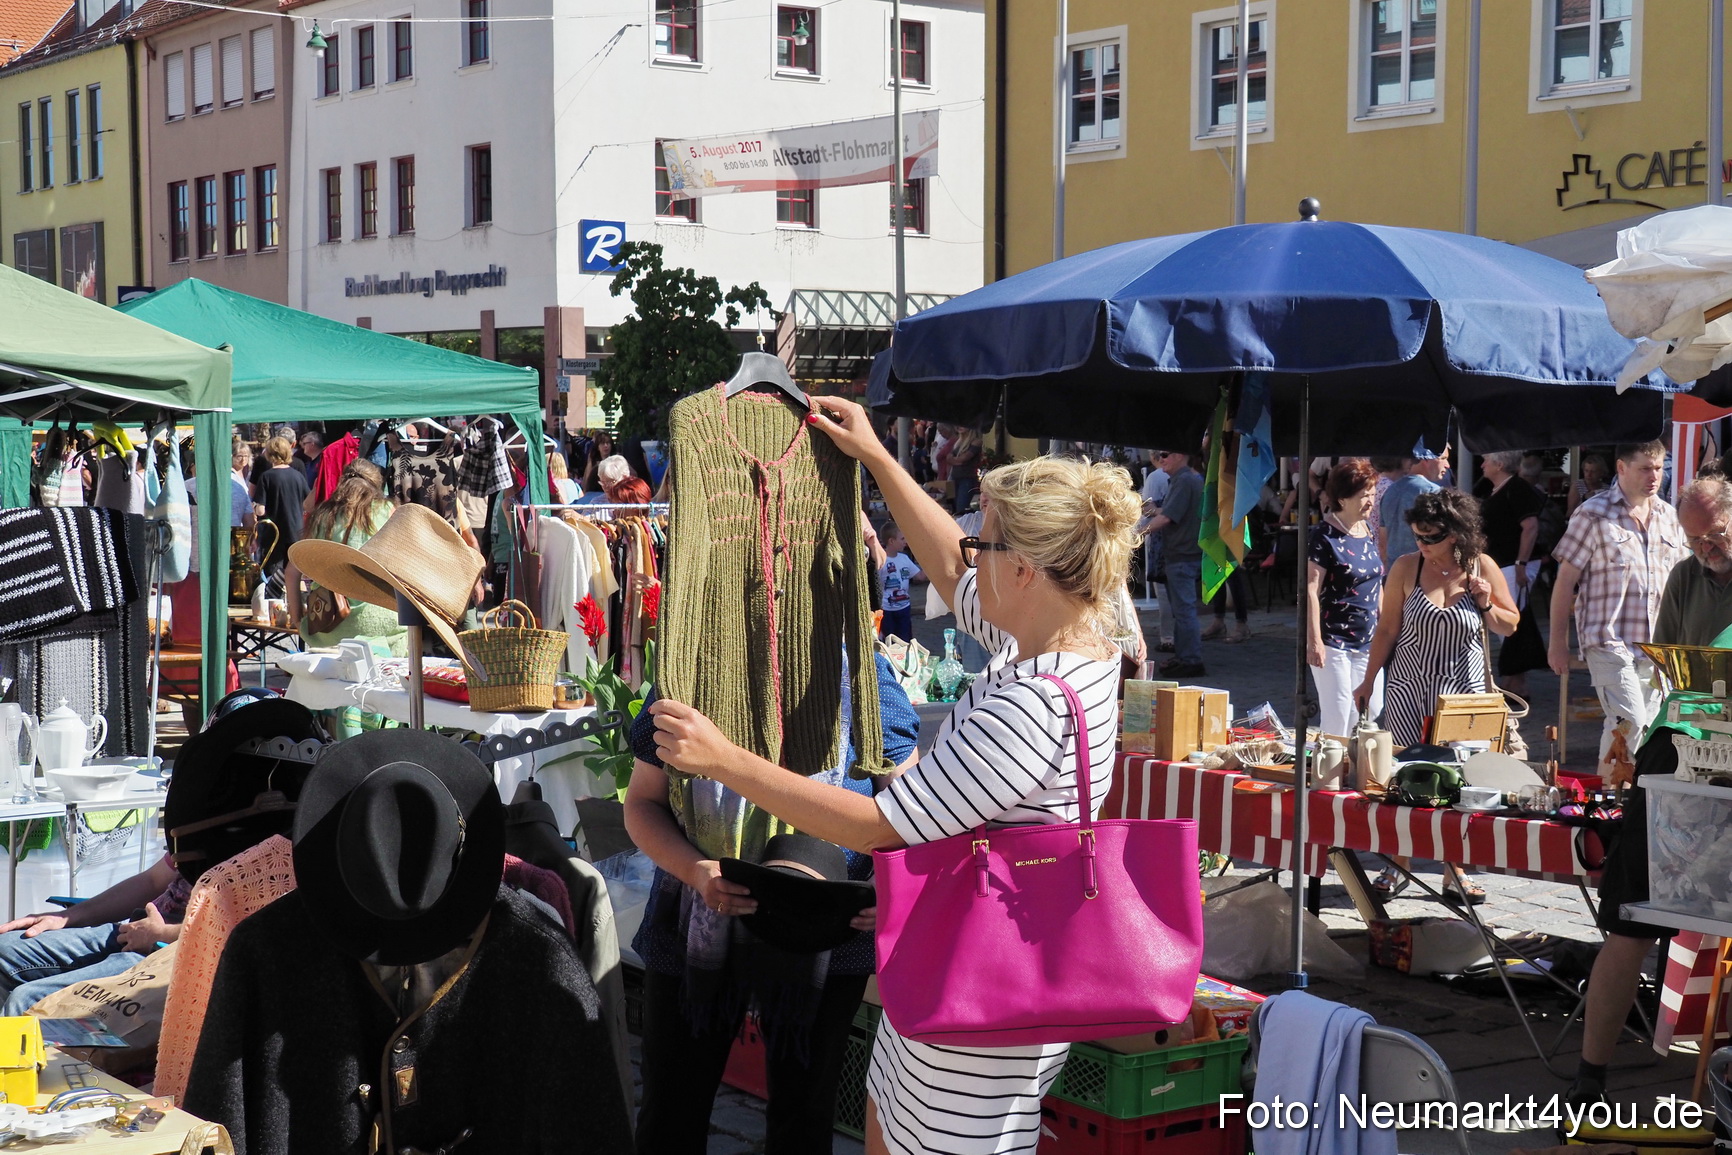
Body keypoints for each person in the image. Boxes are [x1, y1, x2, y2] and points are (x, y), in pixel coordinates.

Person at [645, 393, 1138, 1155]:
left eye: (988, 547)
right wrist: (877, 454)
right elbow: (948, 563)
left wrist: (723, 760)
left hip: (976, 1005)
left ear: (1030, 571)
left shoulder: (1035, 705)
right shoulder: (1072, 639)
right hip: (963, 961)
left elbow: (879, 822)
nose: (970, 558)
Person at [624, 655, 920, 1155]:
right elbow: (642, 803)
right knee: (672, 1107)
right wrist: (694, 870)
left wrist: (892, 889)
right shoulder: (694, 664)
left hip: (825, 925)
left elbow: (909, 817)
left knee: (803, 1115)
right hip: (698, 917)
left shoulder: (863, 675)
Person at [1570, 475, 1732, 1107]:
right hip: (1679, 747)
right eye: (1692, 539)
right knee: (1630, 920)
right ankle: (1589, 1078)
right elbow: (1671, 669)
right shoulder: (1688, 578)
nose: (1703, 549)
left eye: (1713, 535)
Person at [1355, 489, 1519, 904]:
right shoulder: (1406, 568)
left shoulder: (1481, 567)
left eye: (1431, 538)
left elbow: (1510, 625)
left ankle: (1454, 870)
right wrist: (1369, 679)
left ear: (1456, 534)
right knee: (1405, 780)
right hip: (1409, 689)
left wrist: (1485, 603)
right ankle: (1397, 865)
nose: (1422, 546)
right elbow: (1388, 630)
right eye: (1417, 536)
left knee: (1459, 786)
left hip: (1464, 698)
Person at [1548, 441, 1686, 767]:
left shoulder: (1669, 517)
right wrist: (1557, 642)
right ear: (1622, 468)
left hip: (1656, 645)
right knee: (1630, 723)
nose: (1654, 477)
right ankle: (1618, 803)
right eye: (1645, 468)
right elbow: (1565, 581)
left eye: (1659, 468)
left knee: (1637, 732)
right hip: (1607, 639)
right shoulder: (1593, 513)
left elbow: (1682, 582)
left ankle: (1613, 802)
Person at [1306, 459, 1383, 738]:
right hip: (1333, 639)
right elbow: (1311, 589)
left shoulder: (1368, 531)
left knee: (1370, 709)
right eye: (1364, 495)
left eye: (1373, 493)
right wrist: (1314, 640)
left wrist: (1386, 627)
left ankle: (1356, 771)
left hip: (1368, 639)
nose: (1370, 500)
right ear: (1342, 498)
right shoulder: (1324, 536)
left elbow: (1376, 582)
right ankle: (1328, 775)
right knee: (1338, 711)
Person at [1477, 450, 1548, 698]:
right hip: (1500, 562)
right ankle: (1511, 679)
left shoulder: (1517, 488)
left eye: (1487, 460)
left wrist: (1521, 563)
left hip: (1512, 563)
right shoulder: (1493, 489)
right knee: (1502, 621)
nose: (1482, 464)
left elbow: (1530, 526)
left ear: (1499, 464)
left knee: (1509, 617)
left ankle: (1516, 683)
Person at [1148, 449, 1205, 678]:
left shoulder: (1184, 480)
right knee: (1181, 610)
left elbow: (1167, 518)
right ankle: (1184, 656)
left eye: (1165, 454)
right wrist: (1155, 510)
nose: (1161, 459)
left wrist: (1135, 533)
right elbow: (1171, 512)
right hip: (1181, 554)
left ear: (1181, 455)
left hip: (1183, 555)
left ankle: (1191, 659)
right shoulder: (1183, 480)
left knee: (1184, 611)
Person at [255, 435, 310, 581]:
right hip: (296, 532)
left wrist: (255, 507)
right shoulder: (298, 476)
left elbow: (260, 510)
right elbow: (308, 503)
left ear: (269, 453)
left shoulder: (266, 477)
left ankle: (276, 604)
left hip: (274, 534)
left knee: (274, 577)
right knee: (294, 575)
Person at [1377, 449, 1442, 564]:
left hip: (1394, 569)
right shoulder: (1433, 491)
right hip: (1424, 570)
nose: (1447, 465)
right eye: (1443, 458)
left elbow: (1383, 543)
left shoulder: (1389, 491)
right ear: (1425, 460)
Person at [1139, 451, 1175, 652]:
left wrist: (1137, 532)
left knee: (1164, 593)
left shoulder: (1155, 477)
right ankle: (1174, 636)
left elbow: (1148, 509)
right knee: (1175, 594)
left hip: (1160, 542)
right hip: (1175, 541)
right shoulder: (1180, 477)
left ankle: (1168, 637)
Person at [878, 525, 924, 641]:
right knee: (887, 642)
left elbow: (920, 576)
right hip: (886, 611)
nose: (905, 542)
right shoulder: (881, 560)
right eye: (902, 539)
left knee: (905, 641)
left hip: (904, 608)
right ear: (891, 541)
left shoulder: (904, 559)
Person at [587, 455, 652, 505]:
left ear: (625, 477)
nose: (605, 486)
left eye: (611, 481)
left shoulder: (637, 500)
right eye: (602, 482)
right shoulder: (597, 503)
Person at [947, 427, 982, 514]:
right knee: (951, 506)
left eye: (963, 425)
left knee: (961, 507)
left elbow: (965, 458)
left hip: (967, 478)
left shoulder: (976, 441)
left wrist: (955, 460)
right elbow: (948, 458)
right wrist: (957, 461)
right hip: (953, 477)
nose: (959, 427)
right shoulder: (958, 441)